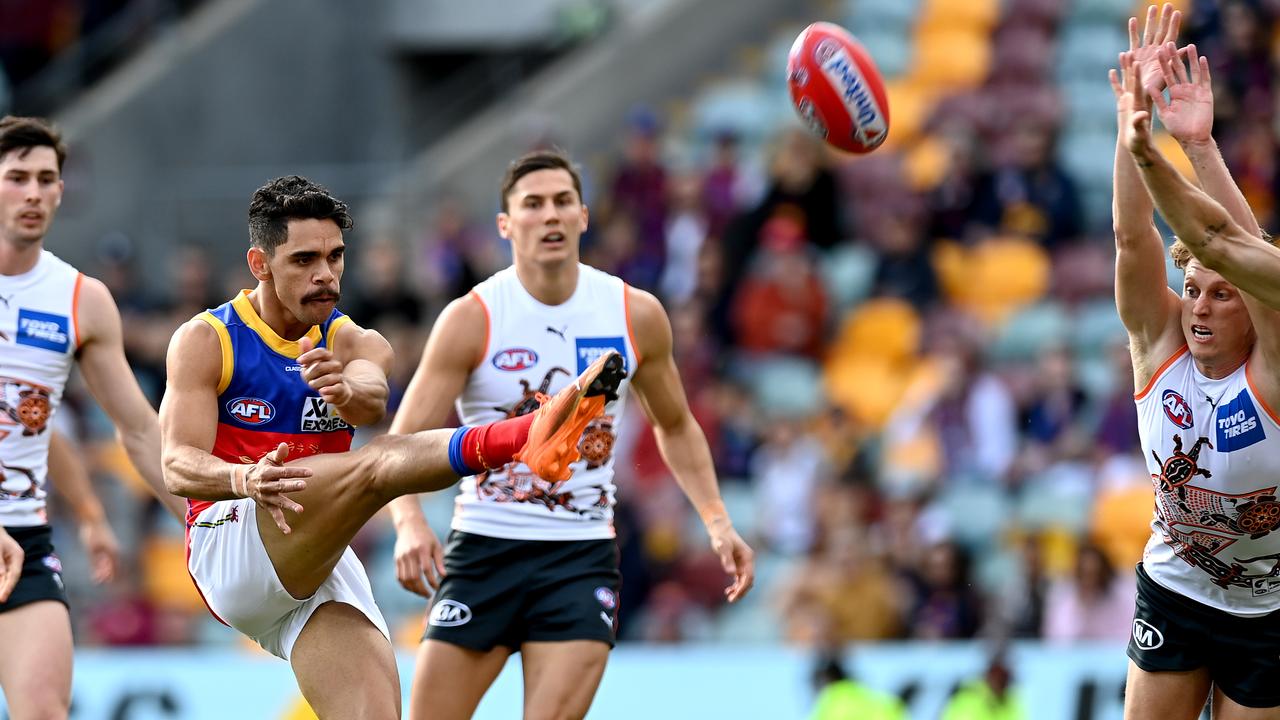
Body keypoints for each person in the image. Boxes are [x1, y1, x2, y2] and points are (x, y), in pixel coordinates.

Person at [159, 174, 623, 719]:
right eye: (304, 260)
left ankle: (533, 435)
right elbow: (176, 464)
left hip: (311, 562)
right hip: (231, 539)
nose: (325, 275)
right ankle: (528, 435)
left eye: (335, 257)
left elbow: (371, 399)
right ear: (260, 264)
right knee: (378, 464)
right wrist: (245, 479)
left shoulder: (356, 340)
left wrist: (347, 388)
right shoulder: (206, 339)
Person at [386, 149, 755, 720]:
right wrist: (409, 523)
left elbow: (675, 424)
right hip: (484, 549)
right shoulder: (473, 317)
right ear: (506, 225)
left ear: (584, 216)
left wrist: (716, 520)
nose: (550, 216)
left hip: (578, 557)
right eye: (532, 205)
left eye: (562, 202)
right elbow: (402, 444)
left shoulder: (634, 314)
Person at [1113, 5, 1280, 716]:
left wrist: (1196, 147)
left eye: (1221, 296)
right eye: (1193, 293)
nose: (1201, 307)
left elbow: (1230, 248)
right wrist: (1133, 126)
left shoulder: (1273, 371)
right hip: (1175, 591)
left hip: (1265, 610)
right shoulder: (1159, 350)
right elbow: (1131, 242)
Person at [0, 115, 184, 720]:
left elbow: (133, 427)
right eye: (16, 177)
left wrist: (205, 518)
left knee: (45, 711)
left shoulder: (81, 298)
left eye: (46, 179)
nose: (32, 192)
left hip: (22, 541)